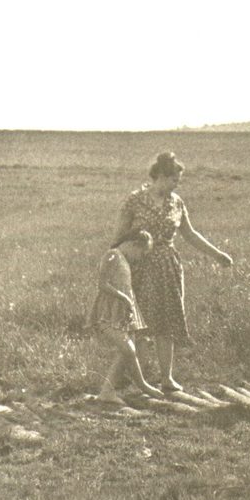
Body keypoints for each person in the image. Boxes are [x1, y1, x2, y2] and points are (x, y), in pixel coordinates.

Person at [113, 152, 233, 392]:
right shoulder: (134, 201)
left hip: (168, 268)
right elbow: (118, 237)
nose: (177, 184)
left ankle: (166, 378)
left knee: (166, 322)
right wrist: (116, 267)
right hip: (139, 267)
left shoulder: (177, 202)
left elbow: (190, 234)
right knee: (139, 324)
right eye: (174, 179)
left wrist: (217, 254)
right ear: (160, 176)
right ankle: (138, 381)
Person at [86, 230, 170, 403]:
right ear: (133, 244)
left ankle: (107, 391)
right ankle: (143, 385)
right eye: (141, 253)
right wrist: (124, 298)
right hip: (108, 313)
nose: (140, 258)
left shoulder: (123, 259)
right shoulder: (112, 255)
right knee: (128, 350)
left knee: (126, 353)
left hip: (122, 313)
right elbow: (102, 284)